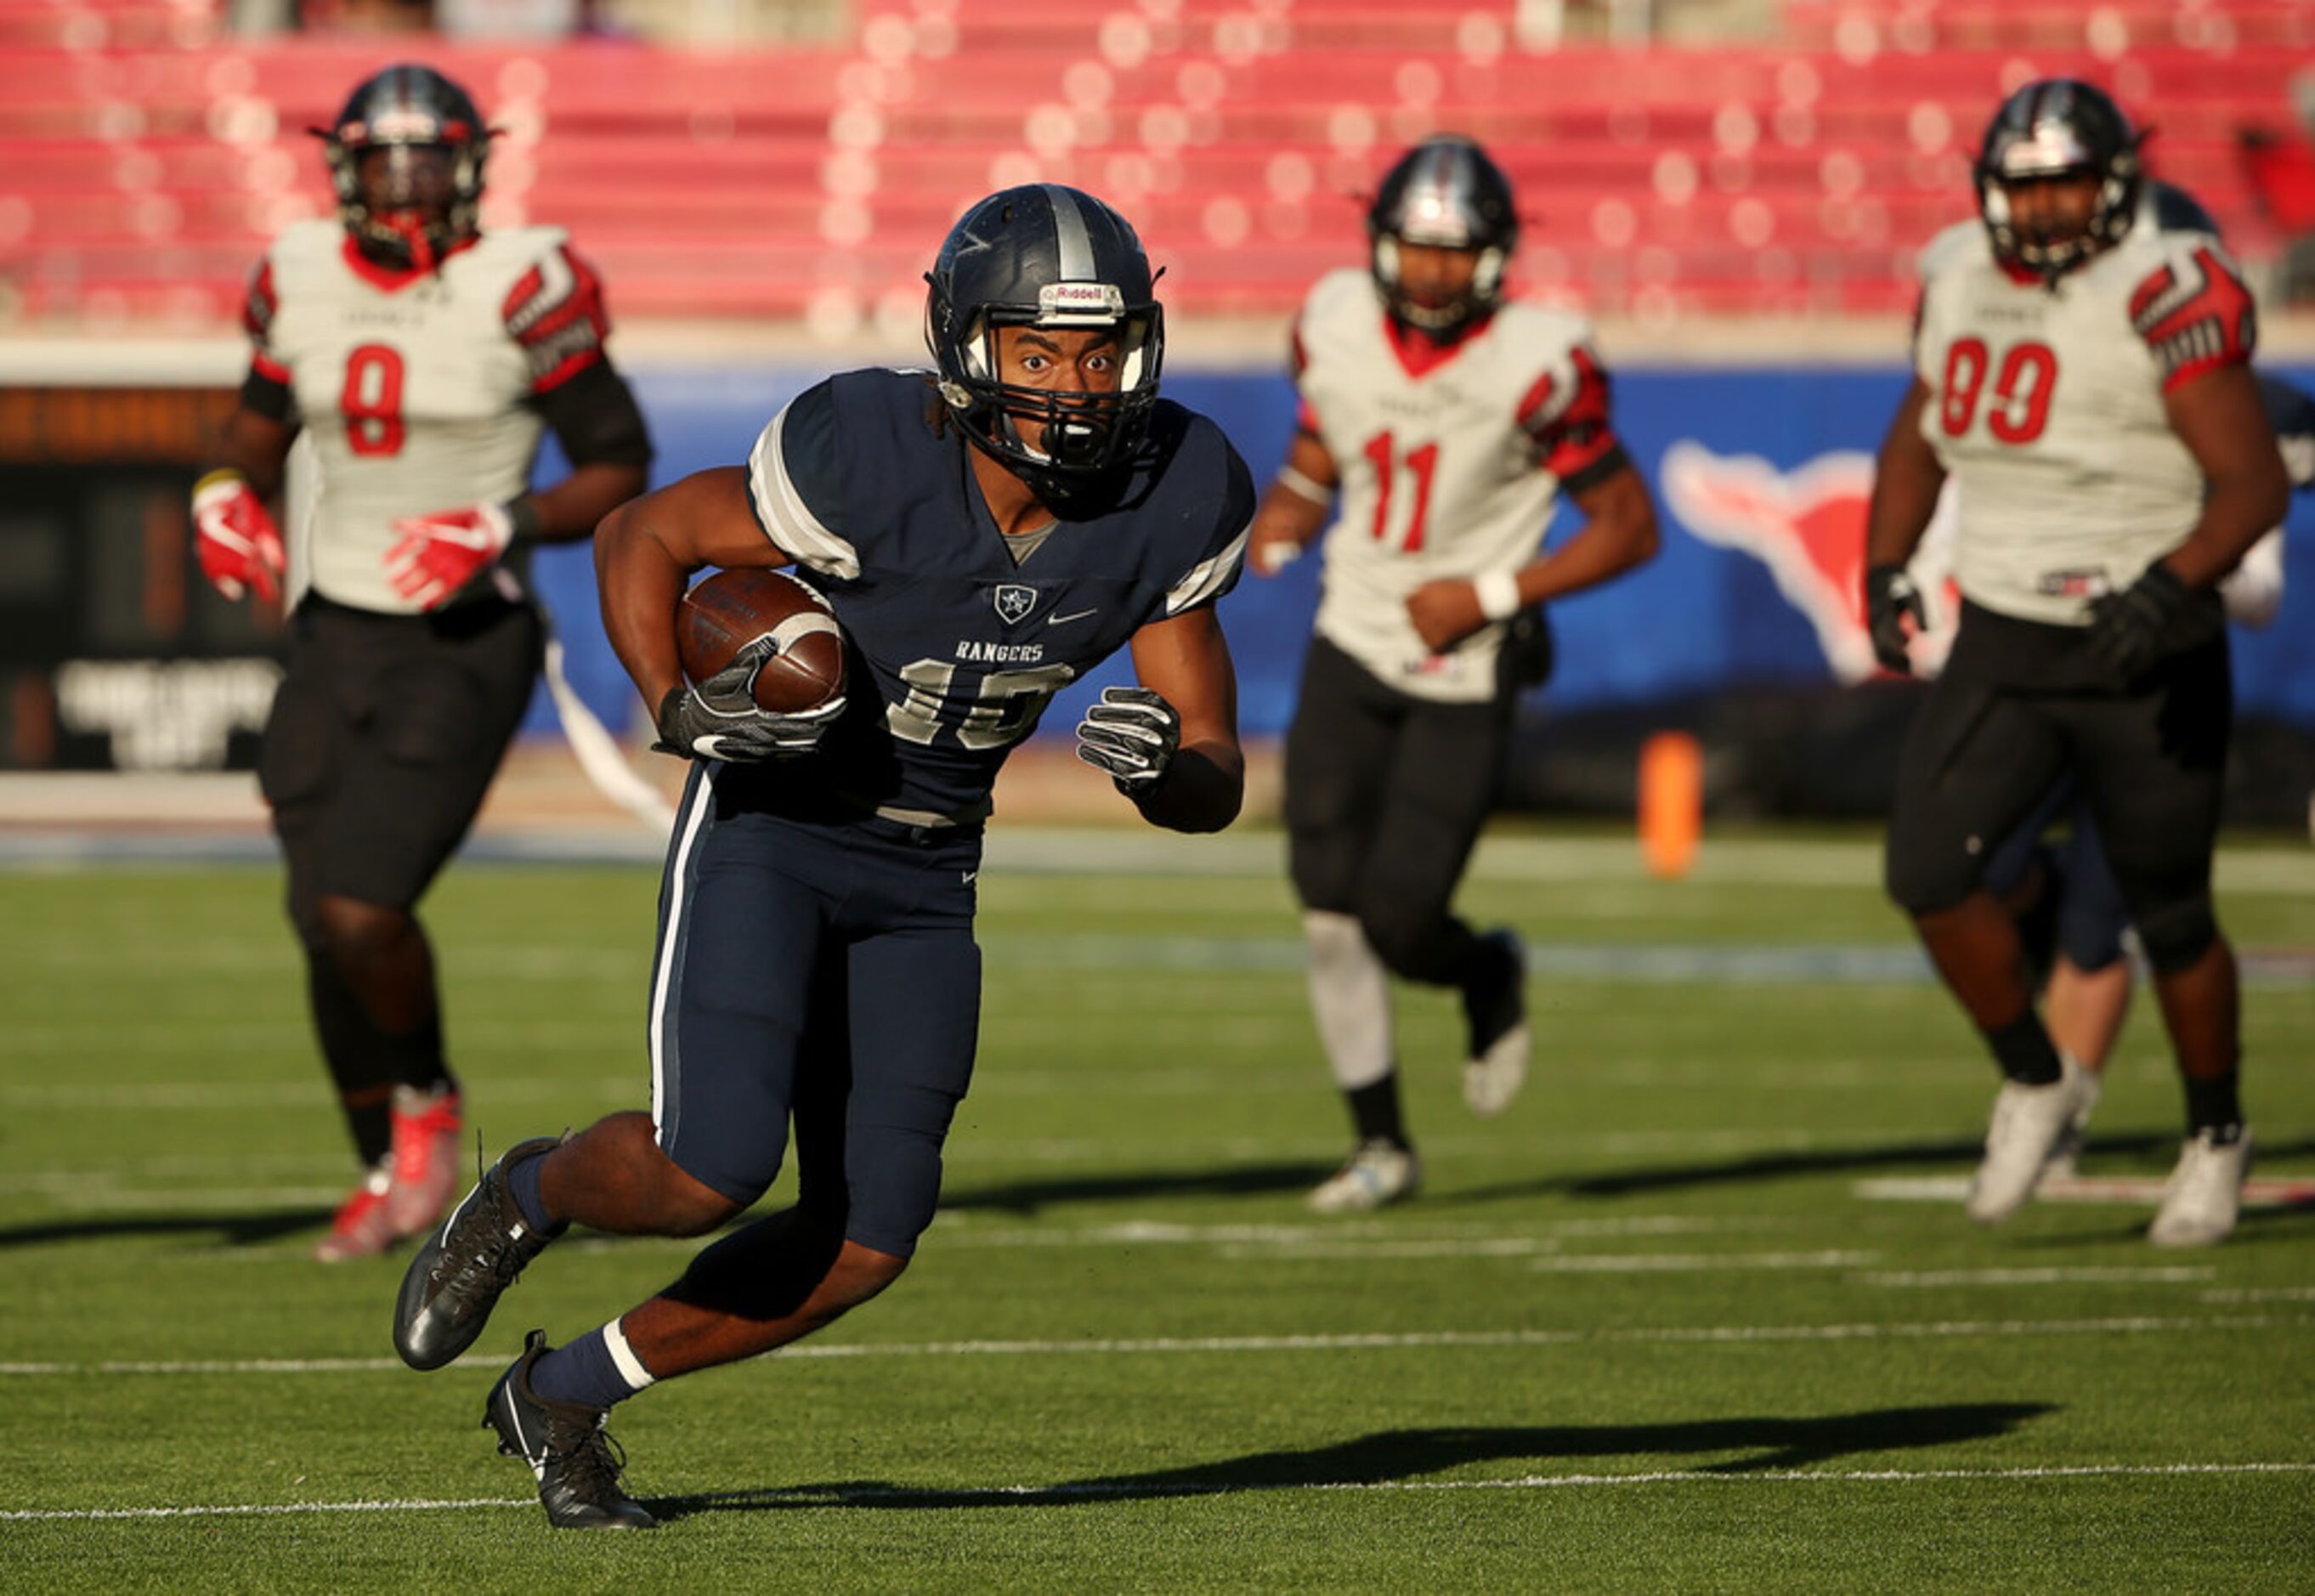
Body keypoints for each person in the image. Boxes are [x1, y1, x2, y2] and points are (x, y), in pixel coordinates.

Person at [391, 184, 1253, 1529]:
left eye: (1098, 352)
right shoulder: (867, 450)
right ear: (964, 347)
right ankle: (523, 1195)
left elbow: (1213, 772)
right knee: (705, 1169)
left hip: (929, 874)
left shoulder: (1179, 490)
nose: (1075, 387)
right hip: (776, 831)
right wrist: (677, 708)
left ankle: (559, 1397)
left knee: (864, 1242)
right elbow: (644, 534)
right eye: (1035, 351)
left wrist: (1168, 772)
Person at [192, 62, 653, 1262]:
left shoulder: (522, 280)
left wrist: (501, 523)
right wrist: (218, 494)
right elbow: (249, 428)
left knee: (361, 902)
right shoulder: (295, 274)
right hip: (334, 625)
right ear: (343, 169)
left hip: (464, 632)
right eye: (386, 160)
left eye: (431, 158)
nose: (408, 183)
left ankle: (428, 1111)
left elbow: (618, 456)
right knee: (316, 917)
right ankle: (383, 1158)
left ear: (473, 164)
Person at [1864, 80, 2290, 1245]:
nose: (2043, 207)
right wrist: (1886, 561)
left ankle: (2214, 1132)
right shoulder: (1958, 270)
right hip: (2007, 627)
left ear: (2115, 183)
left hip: (2143, 640)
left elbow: (2251, 478)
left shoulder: (2166, 277)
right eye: (2023, 183)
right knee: (1926, 871)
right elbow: (1920, 424)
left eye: (2064, 181)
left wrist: (2176, 579)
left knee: (2170, 912)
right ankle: (2036, 1073)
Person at [1243, 134, 1659, 1214]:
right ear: (1379, 245)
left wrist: (1497, 595)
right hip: (1354, 635)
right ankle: (1381, 1142)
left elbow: (1629, 526)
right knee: (1325, 905)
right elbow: (1326, 444)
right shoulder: (1332, 323)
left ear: (1495, 256)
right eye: (1413, 250)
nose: (1430, 273)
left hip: (1465, 665)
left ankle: (1485, 973)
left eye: (1453, 252)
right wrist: (1293, 497)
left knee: (1400, 914)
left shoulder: (1537, 358)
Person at [1984, 370, 2313, 1184]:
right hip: (2033, 677)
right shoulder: (2060, 378)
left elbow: (2260, 589)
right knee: (1975, 869)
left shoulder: (2241, 413)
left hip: (2154, 694)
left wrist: (2175, 568)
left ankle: (2067, 1112)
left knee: (2108, 925)